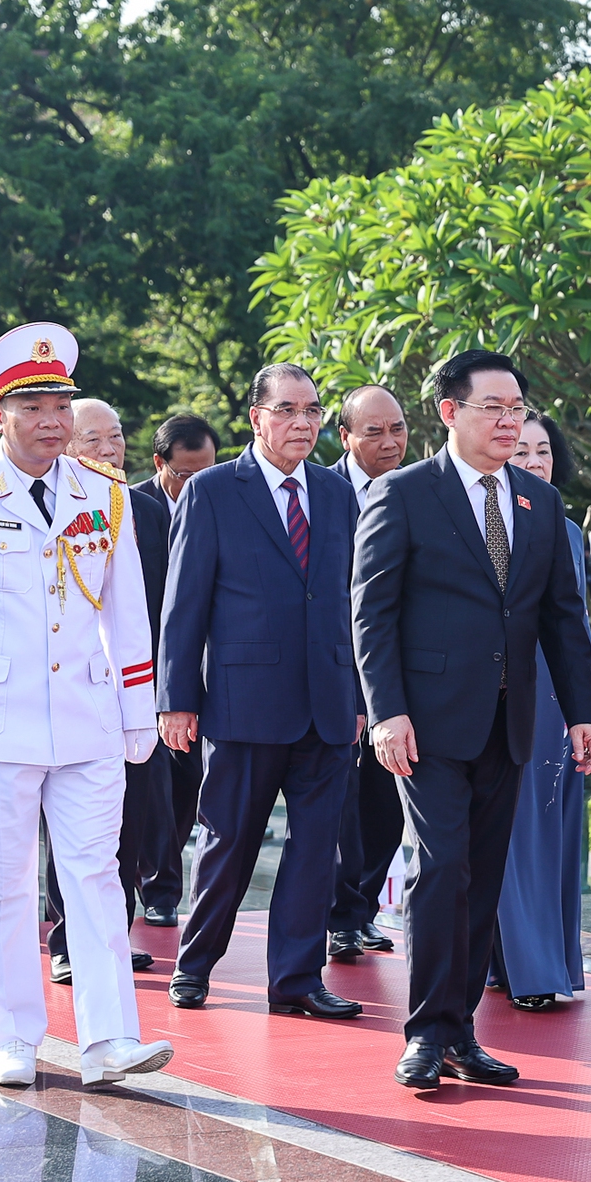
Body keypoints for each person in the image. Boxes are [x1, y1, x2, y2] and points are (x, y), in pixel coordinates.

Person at [0, 321, 172, 1088]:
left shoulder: (103, 493)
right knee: (2, 880)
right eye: (34, 405)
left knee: (94, 873)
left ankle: (109, 1039)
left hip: (86, 713)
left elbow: (127, 609)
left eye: (61, 403)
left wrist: (136, 706)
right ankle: (15, 1036)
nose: (53, 419)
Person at [353, 349, 591, 1090]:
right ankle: (427, 1033)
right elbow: (371, 613)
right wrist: (386, 710)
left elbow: (561, 617)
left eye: (517, 408)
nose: (509, 420)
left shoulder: (538, 502)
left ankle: (461, 1031)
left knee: (482, 876)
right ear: (449, 412)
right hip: (425, 724)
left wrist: (583, 712)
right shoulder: (403, 494)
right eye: (493, 407)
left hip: (511, 720)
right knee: (442, 868)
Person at [158, 364, 362, 1020]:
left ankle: (298, 980)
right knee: (229, 843)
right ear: (256, 417)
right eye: (286, 411)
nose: (301, 423)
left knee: (314, 852)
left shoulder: (336, 493)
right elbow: (184, 605)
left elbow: (353, 601)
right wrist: (176, 699)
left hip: (329, 704)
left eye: (311, 411)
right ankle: (194, 964)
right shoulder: (215, 491)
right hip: (245, 705)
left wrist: (363, 697)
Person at [45, 399, 169, 982]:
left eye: (116, 436)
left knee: (130, 820)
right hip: (70, 692)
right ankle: (69, 940)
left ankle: (114, 932)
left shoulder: (146, 508)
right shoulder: (54, 510)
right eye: (94, 440)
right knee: (73, 825)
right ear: (68, 445)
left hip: (137, 693)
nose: (109, 449)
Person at [491, 414, 591, 1010]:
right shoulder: (483, 522)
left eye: (544, 451)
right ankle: (527, 972)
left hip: (559, 699)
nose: (534, 461)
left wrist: (589, 706)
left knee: (552, 833)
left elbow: (573, 625)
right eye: (522, 450)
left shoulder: (569, 529)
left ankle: (538, 961)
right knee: (515, 832)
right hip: (507, 693)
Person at [326, 385, 409, 959]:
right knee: (339, 810)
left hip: (401, 680)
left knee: (384, 808)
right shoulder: (321, 492)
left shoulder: (420, 491)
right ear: (346, 436)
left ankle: (360, 910)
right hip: (333, 675)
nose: (389, 442)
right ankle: (333, 914)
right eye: (373, 431)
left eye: (397, 429)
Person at [135, 412, 219, 927]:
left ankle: (164, 876)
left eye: (206, 469)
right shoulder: (133, 508)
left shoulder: (220, 500)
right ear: (159, 463)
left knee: (189, 780)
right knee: (155, 786)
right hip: (141, 668)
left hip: (201, 667)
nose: (196, 482)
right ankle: (160, 889)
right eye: (186, 473)